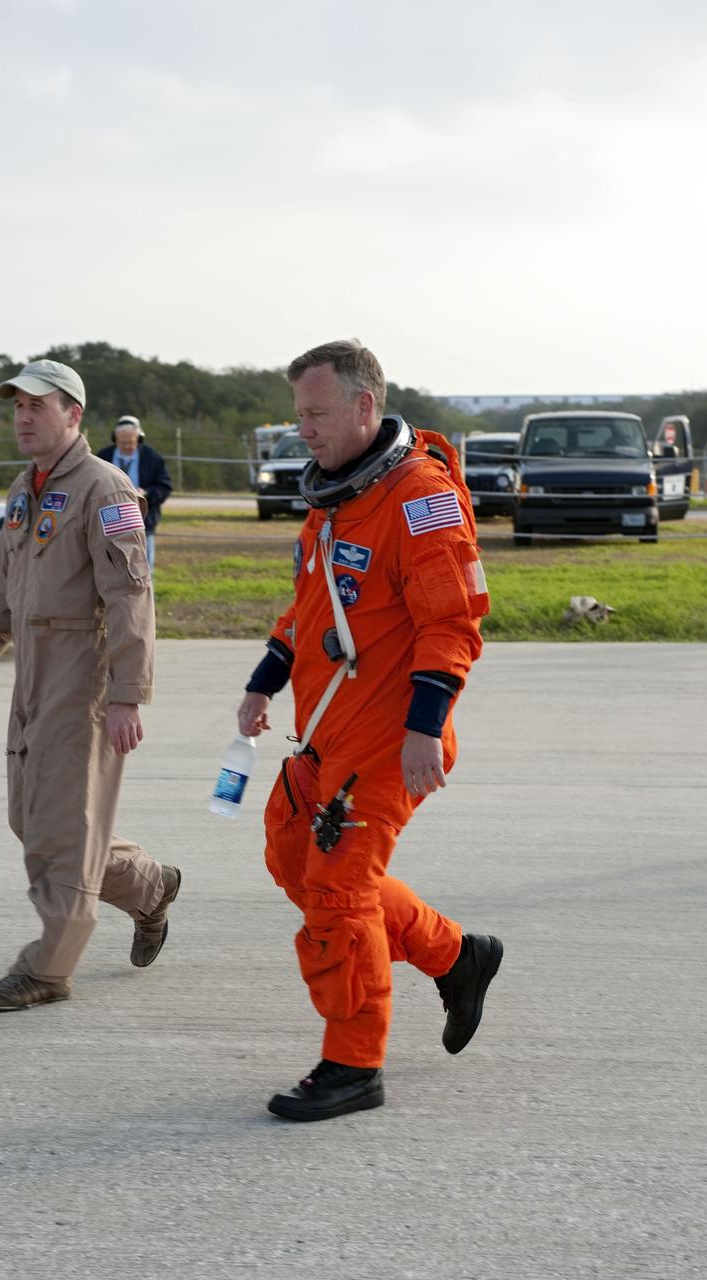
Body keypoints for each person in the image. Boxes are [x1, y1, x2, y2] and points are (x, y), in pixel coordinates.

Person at [236, 340, 503, 1122]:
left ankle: (353, 1064)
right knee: (292, 854)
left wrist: (426, 728)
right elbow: (312, 608)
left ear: (363, 407)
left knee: (337, 891)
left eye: (316, 414)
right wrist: (263, 681)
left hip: (390, 740)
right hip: (325, 732)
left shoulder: (419, 497)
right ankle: (456, 956)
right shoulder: (334, 499)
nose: (303, 431)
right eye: (297, 416)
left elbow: (450, 624)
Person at [0, 359, 181, 1012]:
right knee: (32, 819)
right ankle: (147, 886)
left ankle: (48, 967)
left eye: (37, 406)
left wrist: (129, 694)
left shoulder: (106, 491)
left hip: (84, 670)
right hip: (33, 669)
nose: (22, 418)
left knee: (64, 827)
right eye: (17, 407)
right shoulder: (25, 489)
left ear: (72, 415)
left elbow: (132, 595)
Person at [98, 416, 172, 571]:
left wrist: (147, 494)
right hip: (108, 523)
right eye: (122, 443)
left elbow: (164, 487)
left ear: (139, 438)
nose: (126, 446)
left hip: (143, 523)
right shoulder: (102, 458)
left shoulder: (153, 458)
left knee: (144, 571)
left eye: (131, 442)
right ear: (114, 439)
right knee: (110, 569)